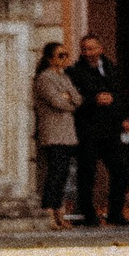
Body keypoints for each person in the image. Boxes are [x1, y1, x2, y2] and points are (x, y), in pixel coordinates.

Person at [68, 34, 129, 228]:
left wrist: (124, 118)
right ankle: (88, 214)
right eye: (85, 49)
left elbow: (119, 95)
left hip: (111, 129)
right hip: (88, 130)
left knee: (121, 169)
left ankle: (115, 213)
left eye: (92, 49)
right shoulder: (75, 72)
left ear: (100, 49)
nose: (88, 53)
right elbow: (72, 99)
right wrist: (93, 100)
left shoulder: (111, 68)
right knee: (87, 173)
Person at [32, 41, 81, 228]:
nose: (65, 59)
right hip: (53, 132)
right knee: (54, 172)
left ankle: (59, 211)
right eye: (60, 55)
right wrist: (68, 100)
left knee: (62, 174)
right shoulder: (45, 78)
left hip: (67, 132)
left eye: (66, 54)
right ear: (50, 58)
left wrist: (69, 98)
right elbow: (57, 102)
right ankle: (49, 211)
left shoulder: (64, 77)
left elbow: (77, 98)